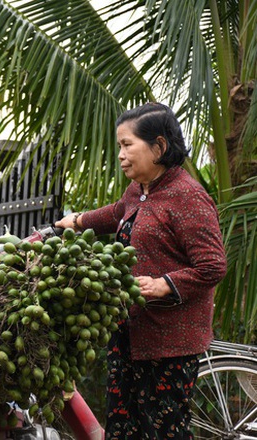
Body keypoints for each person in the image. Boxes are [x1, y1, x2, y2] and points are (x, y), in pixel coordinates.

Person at [55, 102, 226, 439]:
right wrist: (77, 221)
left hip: (169, 342)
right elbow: (118, 212)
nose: (120, 154)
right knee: (123, 426)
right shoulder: (139, 190)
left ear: (159, 146)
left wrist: (165, 284)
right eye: (120, 145)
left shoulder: (188, 198)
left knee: (163, 429)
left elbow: (212, 265)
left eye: (127, 145)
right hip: (130, 333)